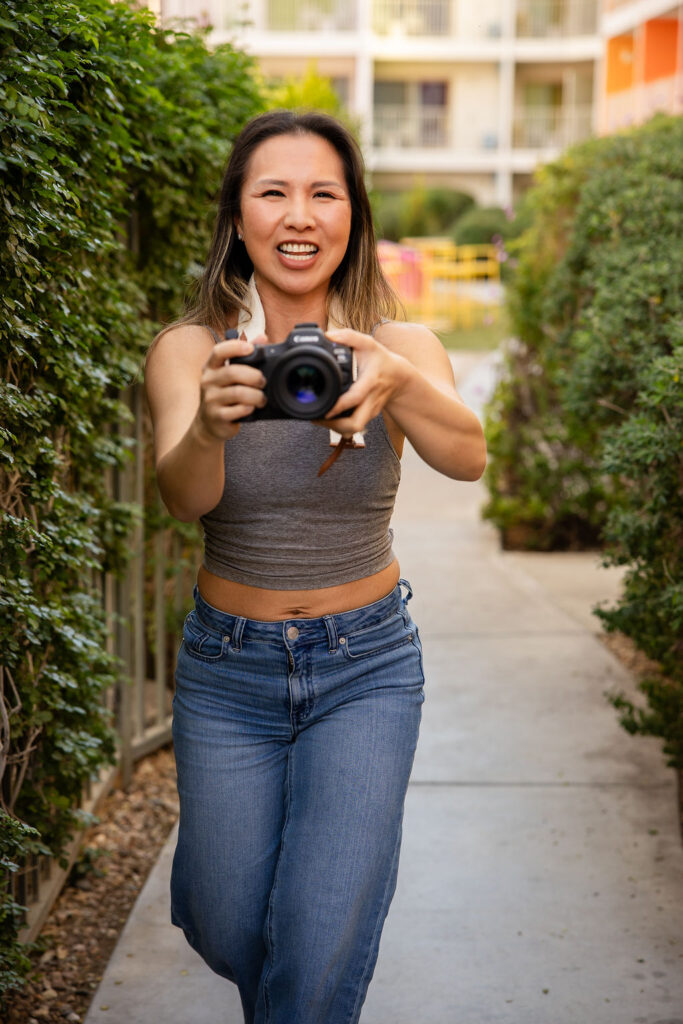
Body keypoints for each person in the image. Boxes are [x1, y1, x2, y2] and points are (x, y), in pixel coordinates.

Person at [145, 109, 486, 1024]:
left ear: (352, 215)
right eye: (273, 192)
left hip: (366, 667)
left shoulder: (401, 348)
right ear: (238, 215)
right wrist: (212, 423)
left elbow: (469, 457)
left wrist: (400, 382)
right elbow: (185, 498)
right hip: (227, 670)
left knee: (318, 938)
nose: (299, 215)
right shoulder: (191, 350)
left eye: (323, 193)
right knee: (226, 923)